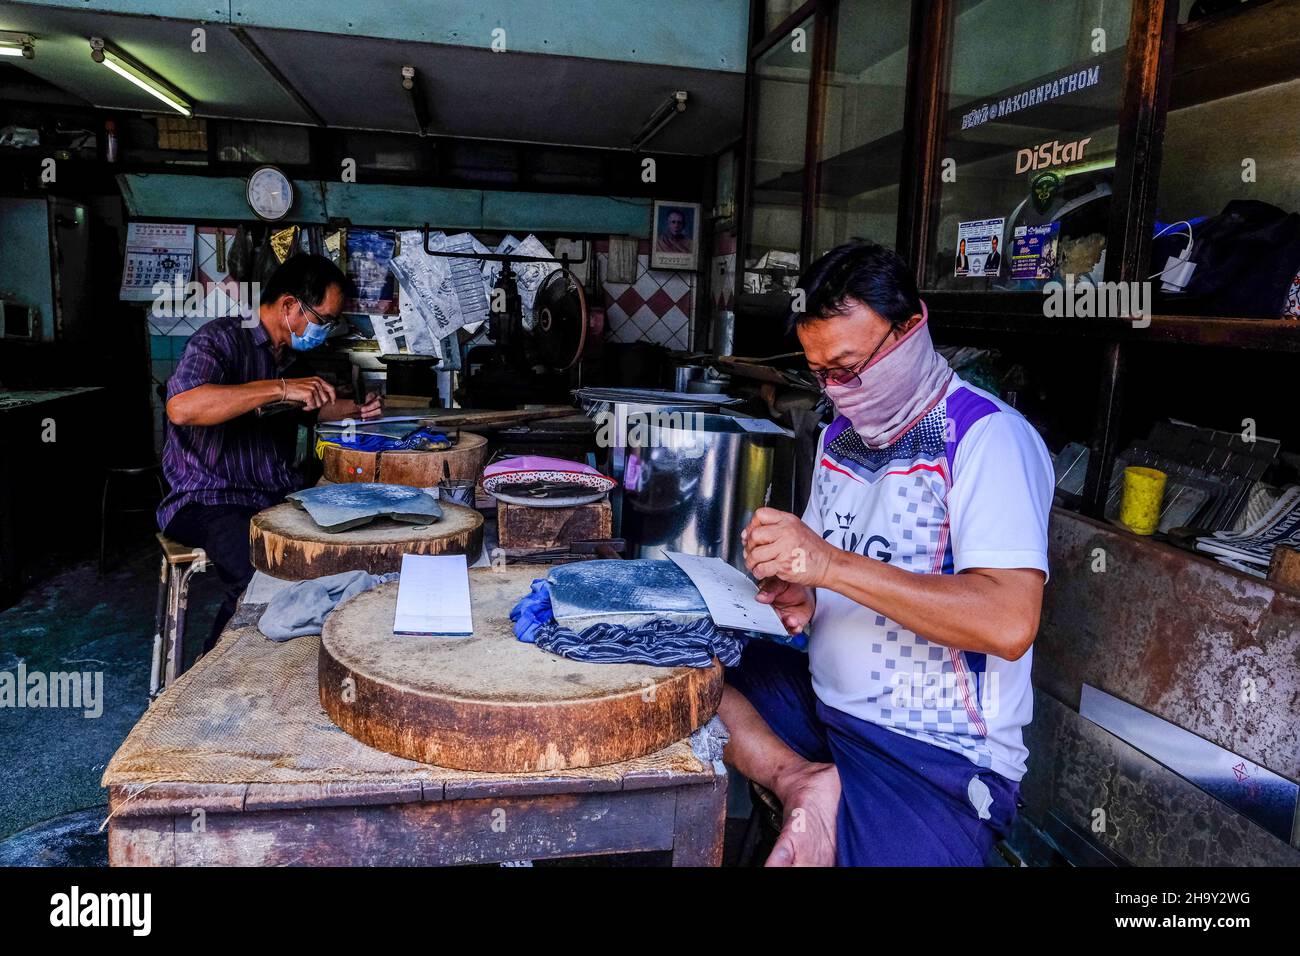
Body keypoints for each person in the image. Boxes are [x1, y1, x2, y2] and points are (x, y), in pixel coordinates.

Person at [724, 241, 1054, 866]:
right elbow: (830, 568)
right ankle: (802, 781)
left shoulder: (986, 440)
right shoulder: (840, 439)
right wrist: (805, 592)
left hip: (933, 754)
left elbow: (1009, 622)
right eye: (820, 373)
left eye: (848, 367)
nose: (837, 391)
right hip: (826, 710)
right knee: (687, 685)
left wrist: (827, 565)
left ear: (910, 328)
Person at [157, 254, 382, 649]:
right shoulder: (220, 338)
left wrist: (356, 411)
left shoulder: (290, 357)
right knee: (263, 583)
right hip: (209, 500)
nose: (326, 331)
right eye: (324, 319)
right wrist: (280, 387)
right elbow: (182, 407)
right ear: (290, 305)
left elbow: (306, 410)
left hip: (271, 497)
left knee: (342, 553)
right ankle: (217, 682)